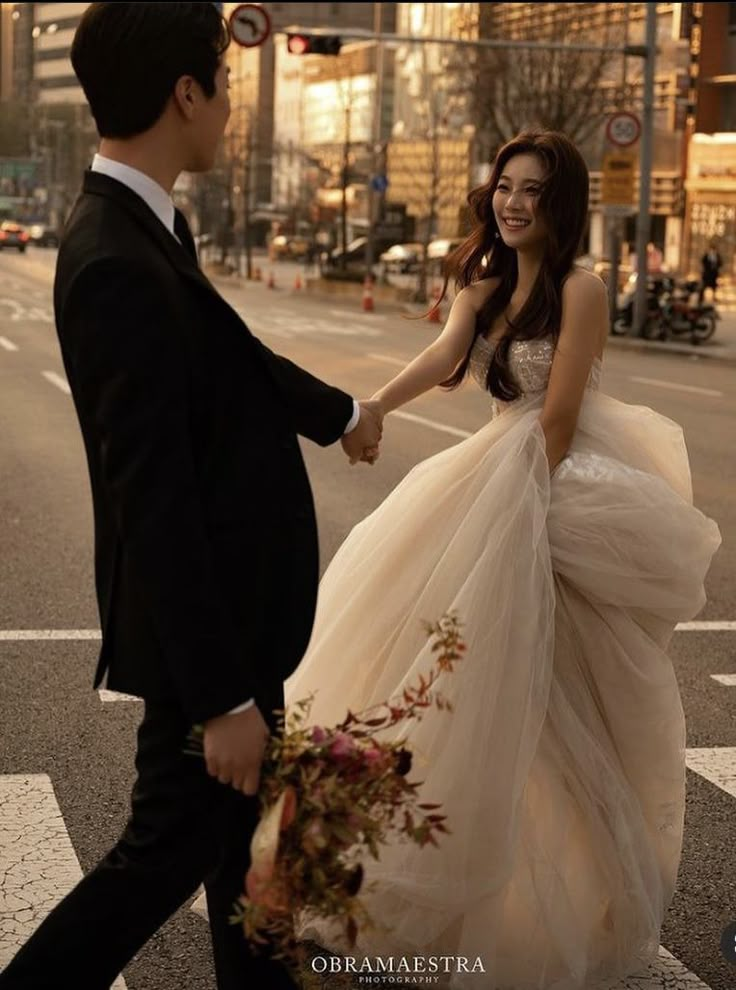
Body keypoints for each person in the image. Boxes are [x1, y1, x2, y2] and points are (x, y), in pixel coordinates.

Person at [0, 5, 382, 990]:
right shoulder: (116, 258)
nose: (227, 109)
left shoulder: (140, 225)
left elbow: (224, 356)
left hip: (230, 623)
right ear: (186, 93)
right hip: (207, 644)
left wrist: (335, 411)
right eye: (221, 81)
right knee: (162, 859)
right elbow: (151, 497)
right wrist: (221, 699)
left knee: (247, 872)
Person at [286, 131, 721, 988]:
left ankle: (557, 904)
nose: (512, 202)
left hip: (549, 495)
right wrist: (368, 406)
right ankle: (387, 882)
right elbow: (447, 357)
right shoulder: (482, 284)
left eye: (532, 191)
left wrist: (518, 519)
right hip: (484, 477)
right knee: (437, 685)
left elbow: (556, 420)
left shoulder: (582, 290)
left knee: (554, 713)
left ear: (562, 205)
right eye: (504, 187)